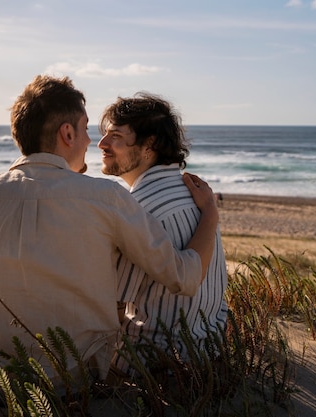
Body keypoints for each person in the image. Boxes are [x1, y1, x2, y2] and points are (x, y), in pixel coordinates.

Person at [0, 75, 219, 385]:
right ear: (67, 133)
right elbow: (185, 276)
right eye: (87, 129)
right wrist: (211, 216)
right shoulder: (109, 198)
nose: (92, 141)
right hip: (78, 379)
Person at [97, 92, 228, 376]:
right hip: (210, 351)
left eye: (115, 136)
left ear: (149, 145)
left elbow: (114, 309)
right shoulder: (196, 197)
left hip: (153, 363)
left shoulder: (136, 210)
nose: (102, 144)